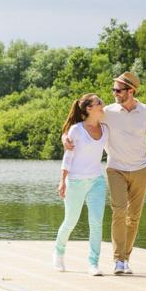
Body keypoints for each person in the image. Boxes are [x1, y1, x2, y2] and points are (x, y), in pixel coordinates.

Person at [63, 72, 146, 275]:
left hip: (141, 169)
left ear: (130, 91)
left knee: (134, 217)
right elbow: (81, 119)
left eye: (118, 90)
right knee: (119, 210)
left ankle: (126, 258)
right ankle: (117, 260)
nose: (114, 93)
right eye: (113, 89)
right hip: (115, 169)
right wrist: (65, 137)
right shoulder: (107, 112)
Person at [53, 93, 108, 276]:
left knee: (96, 222)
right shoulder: (76, 130)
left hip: (97, 182)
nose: (102, 104)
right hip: (75, 181)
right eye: (98, 102)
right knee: (70, 221)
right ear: (88, 109)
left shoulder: (105, 128)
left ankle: (93, 263)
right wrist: (62, 181)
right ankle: (58, 253)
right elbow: (68, 157)